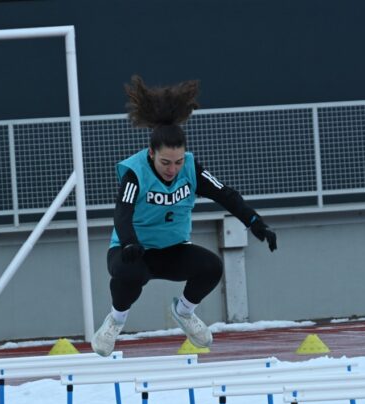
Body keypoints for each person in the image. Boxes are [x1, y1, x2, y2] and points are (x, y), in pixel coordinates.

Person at [91, 75, 278, 356]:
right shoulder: (135, 173)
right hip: (133, 250)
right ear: (152, 153)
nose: (172, 169)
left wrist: (255, 223)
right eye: (165, 162)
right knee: (129, 274)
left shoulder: (191, 168)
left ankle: (185, 312)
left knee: (212, 266)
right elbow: (123, 211)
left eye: (178, 162)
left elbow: (225, 194)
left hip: (173, 251)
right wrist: (129, 242)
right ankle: (115, 321)